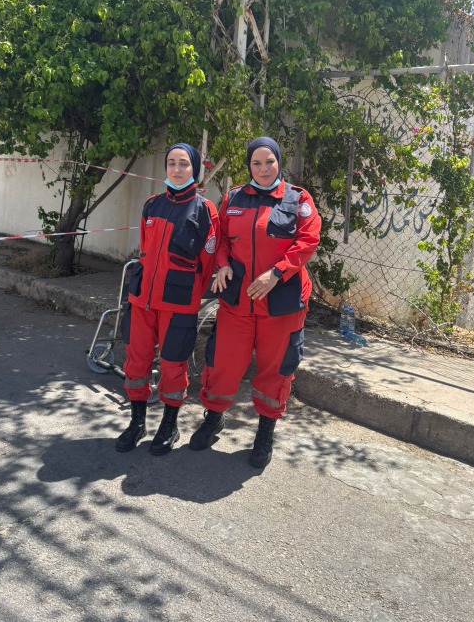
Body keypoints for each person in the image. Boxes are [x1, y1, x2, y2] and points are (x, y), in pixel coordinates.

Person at [189, 136, 321, 468]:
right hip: (239, 301)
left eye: (269, 162)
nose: (263, 169)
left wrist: (277, 273)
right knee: (222, 362)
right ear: (249, 166)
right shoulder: (234, 197)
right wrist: (221, 264)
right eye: (256, 163)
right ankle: (214, 417)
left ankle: (265, 432)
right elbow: (220, 239)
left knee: (276, 369)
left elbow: (308, 240)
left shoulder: (298, 199)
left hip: (281, 302)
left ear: (279, 162)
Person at [116, 143, 219, 456]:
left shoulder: (205, 210)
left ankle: (169, 425)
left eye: (184, 163)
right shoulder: (152, 205)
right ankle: (137, 423)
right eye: (171, 163)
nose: (176, 169)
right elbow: (146, 250)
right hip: (142, 300)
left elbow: (207, 264)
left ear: (194, 169)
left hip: (177, 303)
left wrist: (186, 292)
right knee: (136, 362)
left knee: (173, 365)